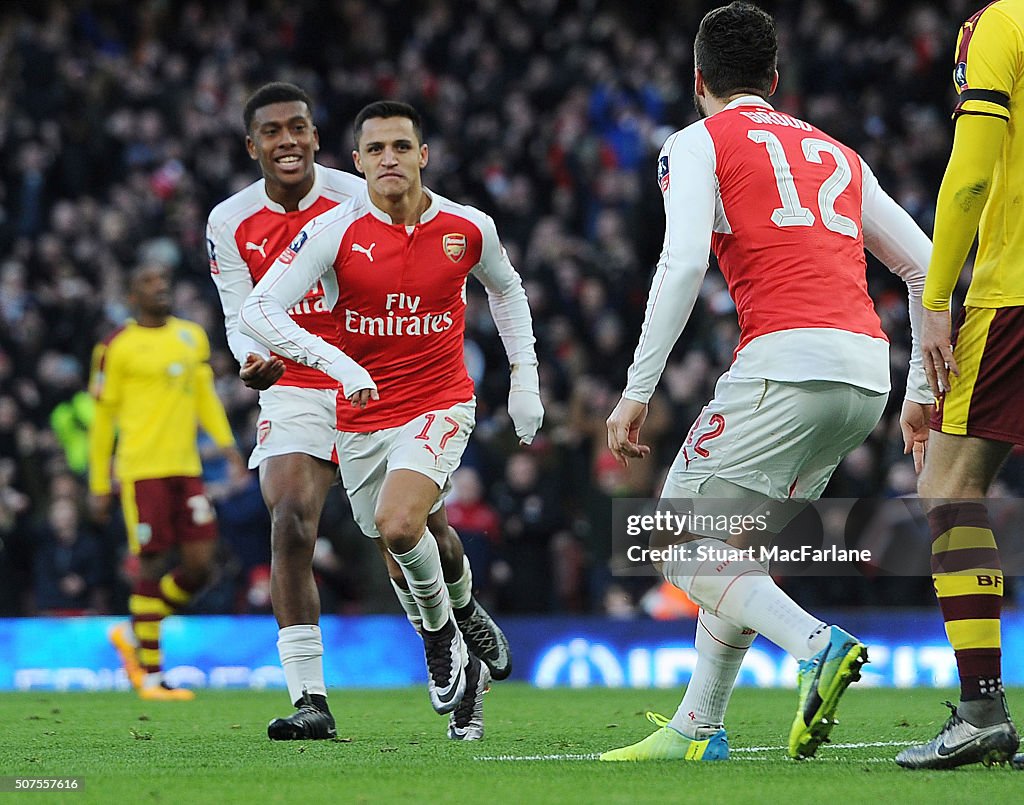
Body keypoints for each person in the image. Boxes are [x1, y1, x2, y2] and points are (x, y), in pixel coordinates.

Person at [601, 2, 933, 762]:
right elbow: (924, 264)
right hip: (866, 375)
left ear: (698, 82)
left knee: (676, 540)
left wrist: (636, 388)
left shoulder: (695, 141)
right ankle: (698, 725)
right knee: (732, 546)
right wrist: (919, 389)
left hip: (786, 363)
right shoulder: (842, 154)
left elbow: (682, 262)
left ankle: (816, 646)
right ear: (775, 80)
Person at [207, 83, 512, 741]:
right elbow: (241, 313)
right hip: (294, 383)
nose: (287, 141)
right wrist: (249, 357)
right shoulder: (228, 220)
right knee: (289, 514)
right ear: (252, 144)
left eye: (298, 128)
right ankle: (310, 696)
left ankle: (461, 641)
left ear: (318, 138)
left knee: (408, 539)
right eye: (272, 132)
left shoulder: (362, 188)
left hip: (382, 380)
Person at [895, 1, 1024, 771]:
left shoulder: (1001, 24)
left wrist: (937, 298)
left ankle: (981, 708)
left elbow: (972, 171)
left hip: (1014, 292)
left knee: (949, 485)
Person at [88, 263, 247, 701]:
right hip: (141, 471)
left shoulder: (190, 336)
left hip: (186, 468)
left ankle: (135, 630)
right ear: (131, 295)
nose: (160, 287)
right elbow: (103, 419)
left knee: (201, 566)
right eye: (149, 282)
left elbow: (205, 397)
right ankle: (152, 677)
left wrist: (228, 446)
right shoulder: (115, 346)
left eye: (164, 281)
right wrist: (99, 481)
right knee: (153, 563)